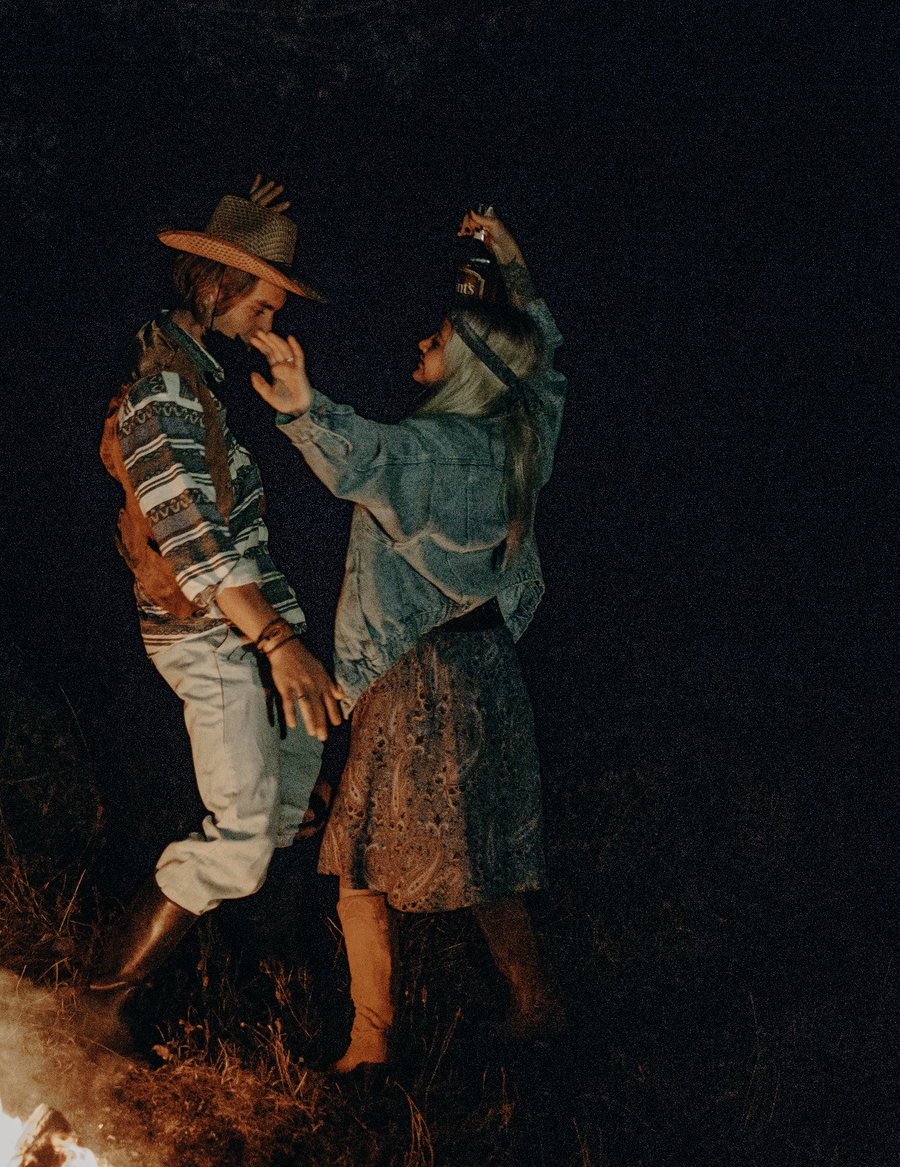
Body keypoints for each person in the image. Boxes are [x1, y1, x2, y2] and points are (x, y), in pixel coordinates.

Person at [245, 206, 568, 1073]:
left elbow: (366, 458)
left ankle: (371, 1040)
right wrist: (515, 266)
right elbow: (547, 374)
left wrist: (306, 409)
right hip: (489, 667)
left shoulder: (432, 450)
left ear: (470, 361)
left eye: (440, 336)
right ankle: (538, 1006)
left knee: (356, 857)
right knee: (488, 853)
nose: (421, 341)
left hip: (416, 674)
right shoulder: (520, 441)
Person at [75, 179, 351, 1055]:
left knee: (273, 823)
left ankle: (260, 998)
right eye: (262, 297)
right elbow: (188, 533)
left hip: (247, 631)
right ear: (214, 286)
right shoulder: (161, 387)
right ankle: (96, 1010)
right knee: (240, 840)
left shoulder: (196, 376)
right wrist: (275, 643)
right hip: (214, 636)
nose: (270, 315)